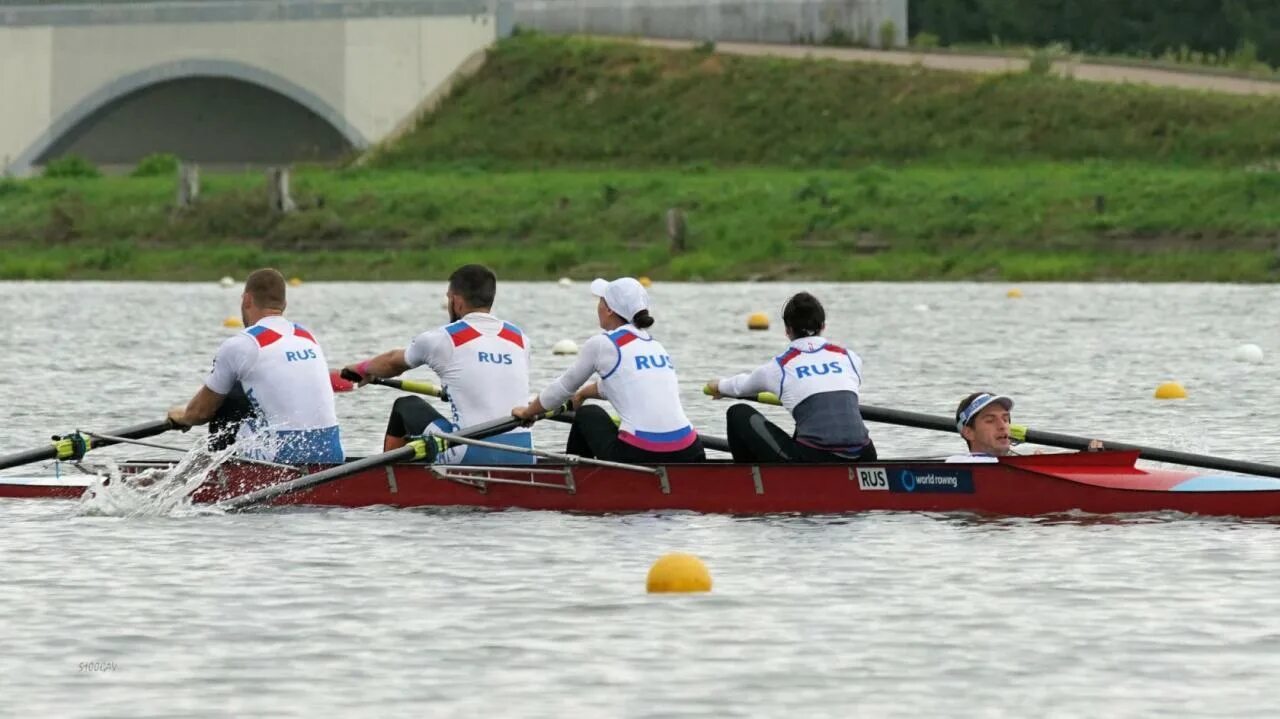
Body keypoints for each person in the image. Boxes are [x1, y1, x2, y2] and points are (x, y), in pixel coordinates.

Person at [343, 264, 533, 465]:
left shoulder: (444, 338)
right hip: (524, 454)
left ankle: (386, 477)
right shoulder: (521, 339)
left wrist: (361, 369)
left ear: (456, 300)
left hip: (467, 454)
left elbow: (392, 363)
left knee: (406, 406)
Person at [512, 277, 705, 463]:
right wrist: (583, 394)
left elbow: (562, 389)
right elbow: (623, 383)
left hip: (640, 453)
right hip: (691, 449)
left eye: (600, 301)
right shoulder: (655, 345)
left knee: (588, 414)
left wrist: (529, 412)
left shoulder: (603, 343)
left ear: (609, 310)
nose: (598, 306)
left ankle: (573, 481)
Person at [167, 268, 344, 464]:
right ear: (284, 304)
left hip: (284, 456)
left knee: (230, 394)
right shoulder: (307, 337)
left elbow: (200, 413)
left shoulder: (241, 344)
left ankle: (221, 479)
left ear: (246, 300)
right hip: (331, 453)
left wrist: (183, 417)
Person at [705, 292, 876, 463]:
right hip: (865, 455)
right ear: (823, 326)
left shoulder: (779, 367)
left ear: (787, 330)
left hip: (815, 460)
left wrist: (718, 386)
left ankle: (750, 484)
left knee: (738, 413)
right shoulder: (850, 358)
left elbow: (738, 387)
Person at [948, 391, 1103, 462]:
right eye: (990, 420)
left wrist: (1091, 460)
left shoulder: (1017, 463)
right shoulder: (958, 464)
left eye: (1005, 419)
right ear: (969, 432)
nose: (1002, 426)